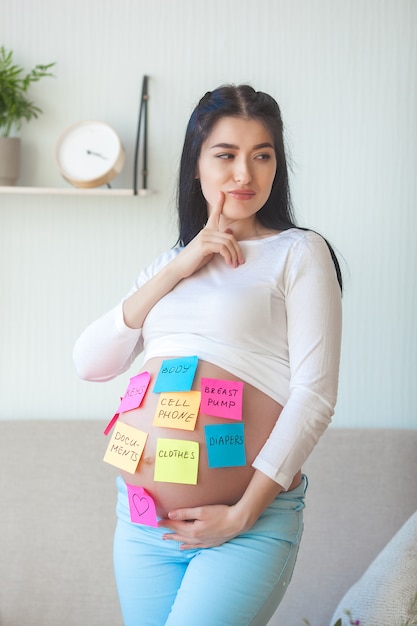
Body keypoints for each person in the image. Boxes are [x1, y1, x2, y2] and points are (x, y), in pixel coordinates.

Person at [73, 84, 342, 626]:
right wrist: (179, 266)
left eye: (262, 156)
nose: (245, 174)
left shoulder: (298, 252)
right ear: (196, 165)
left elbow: (315, 396)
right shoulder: (167, 265)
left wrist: (244, 513)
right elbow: (90, 362)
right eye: (226, 155)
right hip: (144, 524)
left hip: (246, 525)